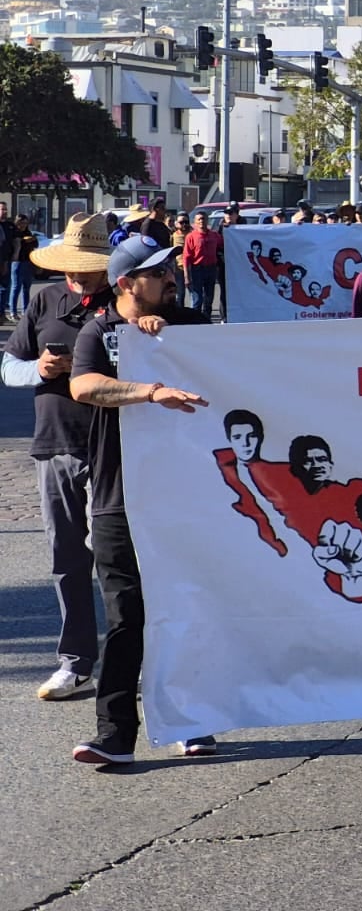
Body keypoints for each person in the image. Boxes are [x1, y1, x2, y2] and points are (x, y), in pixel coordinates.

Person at [68, 235, 212, 764]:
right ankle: (115, 736)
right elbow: (83, 387)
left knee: (187, 606)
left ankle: (194, 720)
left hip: (187, 494)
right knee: (127, 614)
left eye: (172, 269)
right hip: (117, 497)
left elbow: (235, 372)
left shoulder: (193, 326)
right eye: (159, 273)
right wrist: (149, 388)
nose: (171, 279)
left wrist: (167, 344)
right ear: (127, 283)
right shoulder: (98, 331)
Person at [1, 215, 118, 700]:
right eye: (72, 268)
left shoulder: (127, 302)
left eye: (88, 267)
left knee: (120, 561)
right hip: (55, 441)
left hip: (115, 442)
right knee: (66, 558)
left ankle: (130, 660)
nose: (79, 275)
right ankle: (75, 662)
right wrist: (39, 369)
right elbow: (9, 365)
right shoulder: (45, 298)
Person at [181, 213, 221, 317]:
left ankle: (206, 320)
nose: (201, 221)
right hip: (197, 269)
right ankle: (195, 321)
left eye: (203, 219)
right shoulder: (191, 237)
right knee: (197, 298)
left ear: (207, 221)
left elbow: (224, 244)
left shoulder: (214, 235)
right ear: (195, 222)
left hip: (211, 269)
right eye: (199, 219)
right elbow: (186, 257)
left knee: (209, 298)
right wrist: (186, 276)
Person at [8, 213, 39, 319]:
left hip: (28, 262)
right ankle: (13, 311)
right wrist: (22, 241)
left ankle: (26, 311)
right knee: (16, 287)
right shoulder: (14, 232)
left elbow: (35, 245)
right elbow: (13, 246)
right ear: (17, 222)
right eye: (22, 223)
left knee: (26, 288)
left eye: (26, 223)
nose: (24, 225)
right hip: (17, 262)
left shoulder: (28, 232)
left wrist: (33, 239)